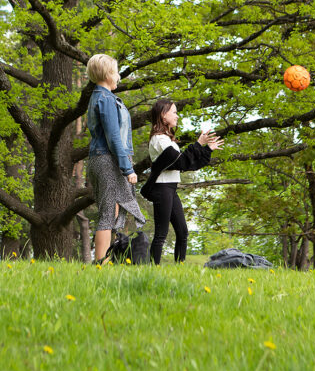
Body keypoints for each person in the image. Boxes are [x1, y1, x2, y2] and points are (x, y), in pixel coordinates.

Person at [142, 99, 222, 264]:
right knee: (161, 234)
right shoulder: (159, 140)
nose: (177, 116)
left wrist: (206, 149)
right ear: (163, 116)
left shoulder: (168, 140)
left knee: (182, 231)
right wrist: (199, 144)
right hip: (161, 189)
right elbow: (180, 161)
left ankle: (180, 267)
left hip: (170, 189)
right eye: (174, 112)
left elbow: (188, 164)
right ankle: (152, 269)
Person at [85, 53, 145, 262]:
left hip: (99, 159)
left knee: (112, 211)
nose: (118, 76)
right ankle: (101, 263)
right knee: (109, 213)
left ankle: (107, 261)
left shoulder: (98, 97)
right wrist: (127, 168)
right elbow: (113, 138)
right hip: (107, 160)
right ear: (109, 73)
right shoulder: (106, 99)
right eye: (116, 71)